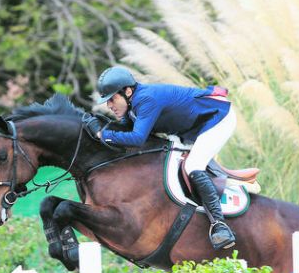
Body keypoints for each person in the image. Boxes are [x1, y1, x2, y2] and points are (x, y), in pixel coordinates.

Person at [84, 66, 238, 250]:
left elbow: (138, 138)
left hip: (217, 120)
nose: (109, 105)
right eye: (107, 101)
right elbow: (125, 131)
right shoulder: (132, 105)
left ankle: (219, 225)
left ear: (128, 91)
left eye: (112, 99)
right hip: (191, 128)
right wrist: (96, 127)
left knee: (193, 166)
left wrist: (103, 135)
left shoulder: (146, 99)